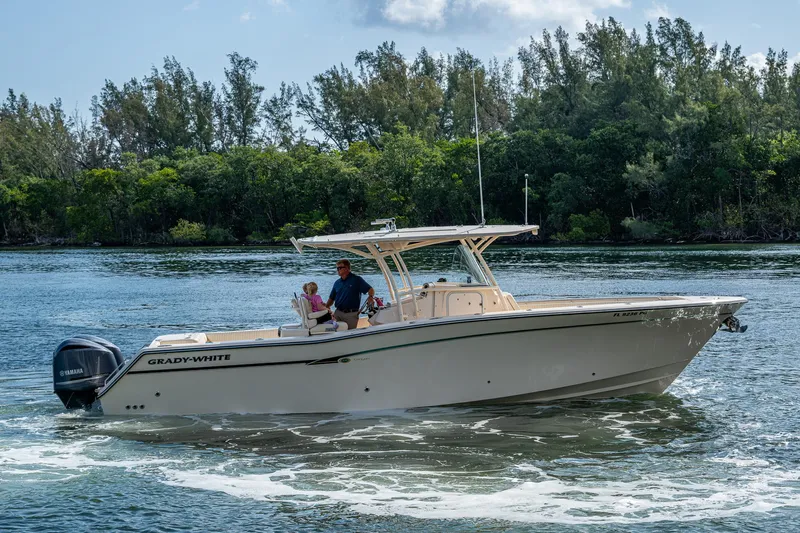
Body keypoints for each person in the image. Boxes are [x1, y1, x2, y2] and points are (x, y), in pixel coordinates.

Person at [326, 259, 374, 330]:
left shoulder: (356, 280)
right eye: (337, 268)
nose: (338, 270)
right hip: (338, 313)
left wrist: (370, 297)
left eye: (340, 268)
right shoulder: (337, 283)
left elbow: (370, 290)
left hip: (351, 314)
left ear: (347, 268)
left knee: (350, 333)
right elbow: (331, 298)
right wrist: (326, 306)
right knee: (335, 333)